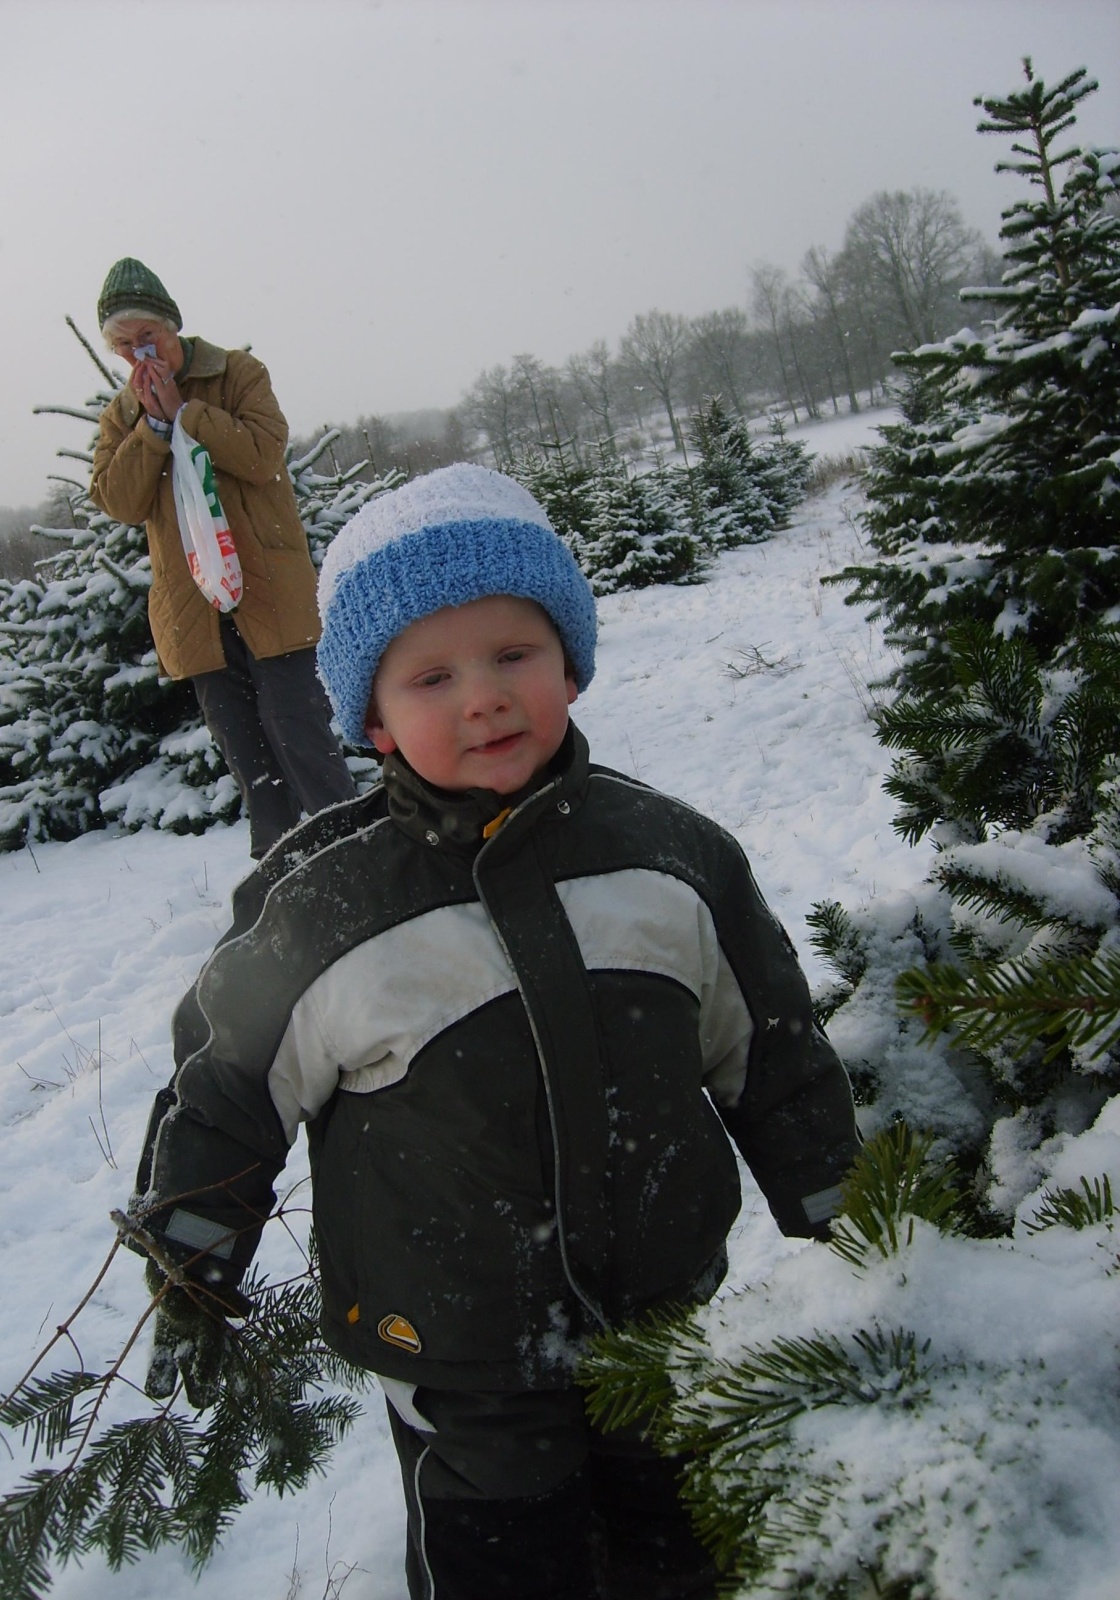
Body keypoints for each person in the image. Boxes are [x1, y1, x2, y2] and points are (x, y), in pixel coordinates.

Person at [128, 463, 861, 1599]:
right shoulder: (324, 905)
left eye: (514, 655)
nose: (484, 697)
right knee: (503, 1565)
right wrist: (189, 1257)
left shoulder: (671, 857)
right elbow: (226, 1084)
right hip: (455, 1348)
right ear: (370, 718)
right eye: (432, 675)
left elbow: (770, 1050)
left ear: (569, 659)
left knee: (685, 1546)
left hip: (665, 1316)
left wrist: (839, 1216)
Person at [88, 257, 354, 857]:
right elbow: (118, 500)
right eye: (124, 345)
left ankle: (353, 857)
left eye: (147, 336)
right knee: (248, 757)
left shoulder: (238, 373)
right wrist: (152, 431)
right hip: (195, 609)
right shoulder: (121, 414)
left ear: (171, 326)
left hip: (269, 596)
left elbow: (262, 454)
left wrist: (186, 413)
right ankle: (284, 877)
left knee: (301, 738)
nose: (139, 354)